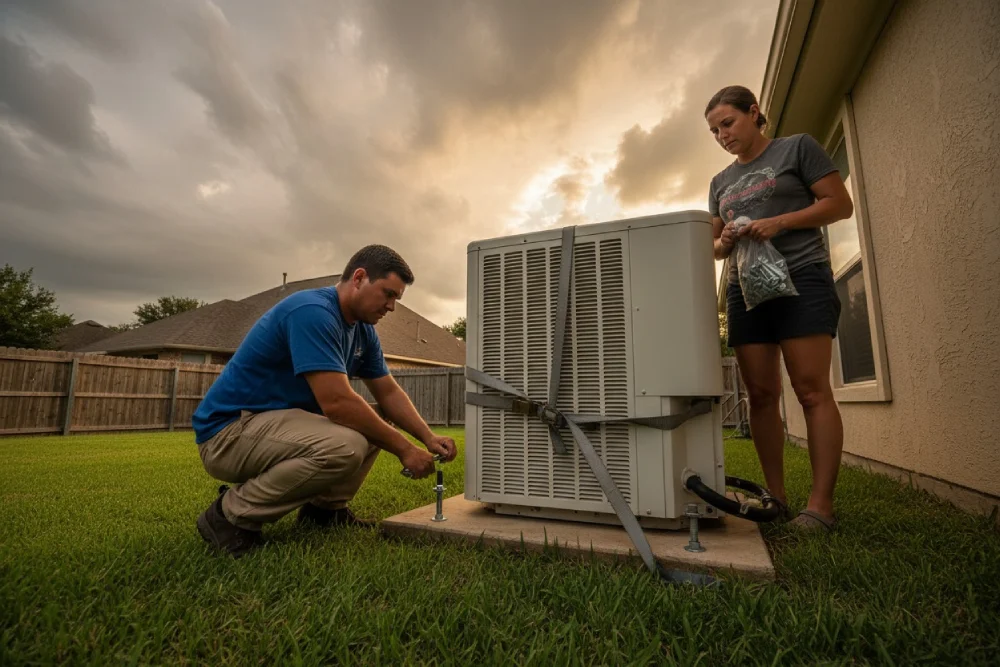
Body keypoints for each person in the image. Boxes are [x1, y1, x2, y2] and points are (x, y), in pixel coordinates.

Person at [192, 245, 457, 557]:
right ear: (359, 278)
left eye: (396, 298)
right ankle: (230, 516)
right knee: (346, 444)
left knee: (374, 421)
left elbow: (388, 392)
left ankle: (325, 511)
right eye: (387, 294)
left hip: (274, 425)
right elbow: (337, 402)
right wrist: (404, 450)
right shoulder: (312, 312)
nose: (391, 307)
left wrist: (427, 437)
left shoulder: (362, 330)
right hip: (229, 432)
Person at [705, 85, 854, 532]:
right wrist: (725, 240)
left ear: (754, 114)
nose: (722, 135)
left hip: (802, 278)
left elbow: (839, 205)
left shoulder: (798, 148)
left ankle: (820, 507)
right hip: (745, 290)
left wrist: (780, 222)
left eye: (728, 123)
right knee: (762, 396)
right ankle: (777, 498)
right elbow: (712, 247)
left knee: (810, 390)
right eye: (714, 130)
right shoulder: (719, 182)